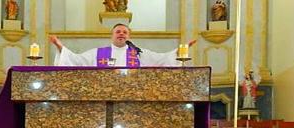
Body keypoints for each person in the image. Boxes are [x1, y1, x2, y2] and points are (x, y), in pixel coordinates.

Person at [50, 23, 197, 67]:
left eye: (124, 32)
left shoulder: (138, 53)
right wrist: (59, 46)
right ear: (112, 35)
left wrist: (181, 51)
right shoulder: (98, 53)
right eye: (118, 31)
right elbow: (76, 61)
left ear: (129, 36)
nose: (121, 34)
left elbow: (162, 59)